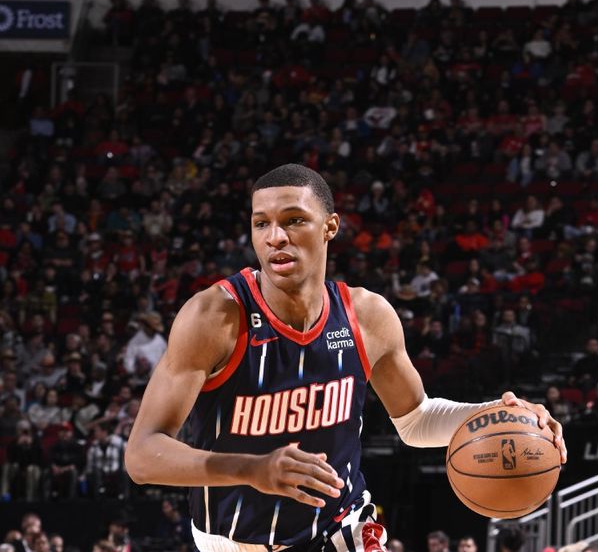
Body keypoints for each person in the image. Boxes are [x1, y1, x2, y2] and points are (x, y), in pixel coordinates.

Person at [126, 164, 567, 551]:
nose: (275, 237)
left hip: (343, 530)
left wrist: (502, 416)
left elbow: (415, 420)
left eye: (294, 220)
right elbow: (142, 456)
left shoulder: (367, 316)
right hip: (233, 542)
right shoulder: (213, 316)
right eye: (261, 224)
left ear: (330, 227)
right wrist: (251, 469)